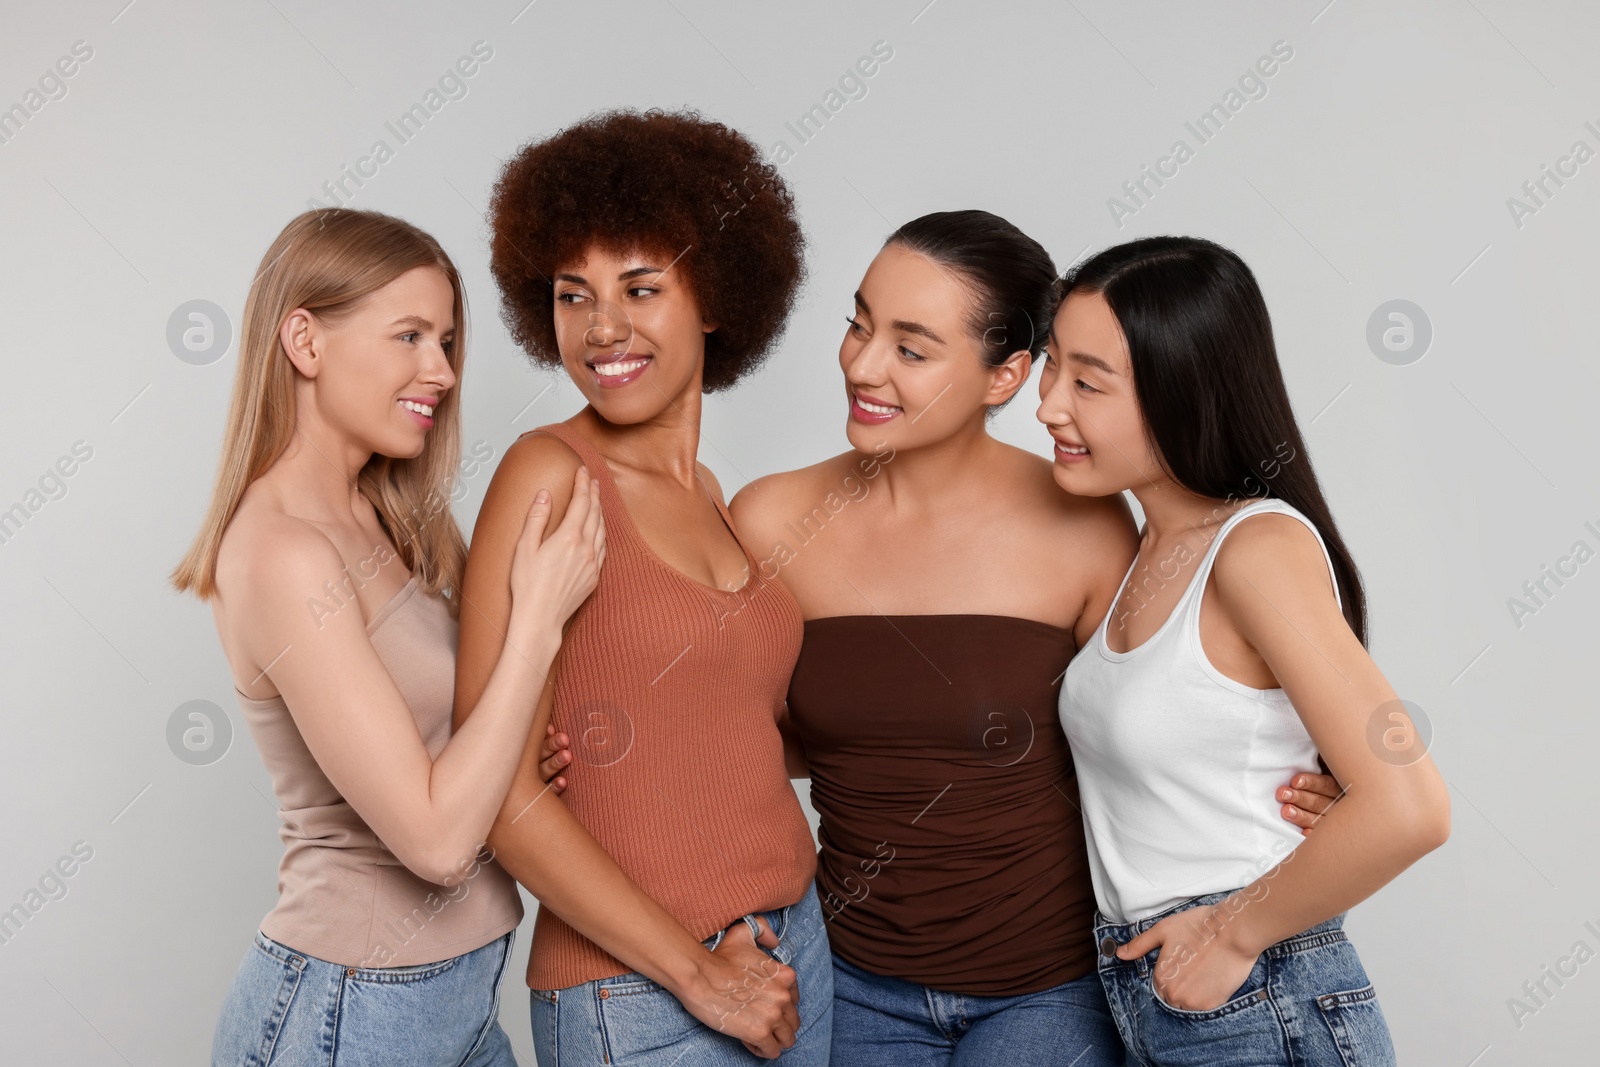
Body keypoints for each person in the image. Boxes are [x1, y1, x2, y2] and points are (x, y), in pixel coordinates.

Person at [539, 211, 1348, 1066]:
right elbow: (740, 725)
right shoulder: (771, 519)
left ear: (1006, 375)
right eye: (859, 324)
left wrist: (1295, 786)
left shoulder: (1091, 527)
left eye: (911, 348)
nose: (863, 364)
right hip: (847, 979)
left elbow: (1161, 706)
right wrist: (597, 758)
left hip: (1053, 983)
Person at [173, 207, 605, 1066]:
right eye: (408, 335)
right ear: (304, 340)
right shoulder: (283, 552)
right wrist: (536, 625)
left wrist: (506, 760)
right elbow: (438, 844)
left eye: (445, 341)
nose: (440, 371)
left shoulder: (381, 513)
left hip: (453, 1001)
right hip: (351, 1012)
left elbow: (440, 775)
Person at [452, 107, 831, 1065]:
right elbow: (496, 796)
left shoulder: (710, 495)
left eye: (639, 287)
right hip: (646, 991)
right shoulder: (548, 476)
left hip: (799, 952)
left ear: (714, 297)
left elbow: (730, 734)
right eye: (573, 295)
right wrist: (699, 973)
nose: (603, 326)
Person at [1042, 235, 1450, 1065]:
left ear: (1182, 386)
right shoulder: (1144, 553)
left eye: (1087, 382)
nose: (1050, 404)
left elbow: (1411, 804)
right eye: (1052, 367)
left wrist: (1233, 932)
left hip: (1257, 992)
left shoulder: (1254, 548)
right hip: (1156, 990)